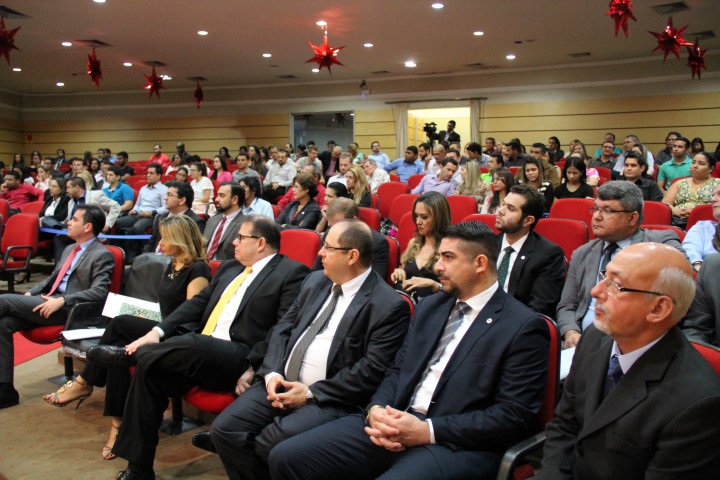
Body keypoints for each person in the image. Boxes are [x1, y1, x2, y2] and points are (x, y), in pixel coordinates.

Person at [270, 221, 550, 480]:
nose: (437, 267)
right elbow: (397, 370)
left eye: (448, 258)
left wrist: (428, 431)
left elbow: (512, 416)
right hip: (396, 421)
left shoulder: (522, 326)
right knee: (286, 457)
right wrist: (376, 409)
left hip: (454, 444)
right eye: (439, 256)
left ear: (480, 263)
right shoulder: (431, 307)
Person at [101, 216, 310, 480]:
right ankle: (139, 469)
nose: (234, 242)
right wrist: (157, 332)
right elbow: (196, 304)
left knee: (194, 341)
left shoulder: (291, 273)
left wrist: (254, 366)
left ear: (260, 243)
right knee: (150, 372)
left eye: (240, 237)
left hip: (239, 355)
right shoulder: (230, 268)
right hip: (199, 351)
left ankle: (129, 355)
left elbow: (283, 328)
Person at [208, 220, 410, 480]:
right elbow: (282, 328)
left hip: (329, 398)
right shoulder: (315, 281)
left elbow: (372, 369)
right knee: (225, 430)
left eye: (328, 247)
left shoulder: (388, 305)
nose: (320, 253)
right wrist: (272, 372)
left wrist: (310, 393)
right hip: (281, 382)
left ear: (352, 256)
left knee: (270, 443)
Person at [538, 243, 720, 479]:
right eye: (604, 276)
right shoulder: (595, 337)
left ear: (658, 308)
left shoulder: (696, 402)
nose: (595, 291)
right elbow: (564, 425)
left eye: (615, 285)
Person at [42, 215, 211, 459]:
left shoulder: (198, 269)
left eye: (165, 238)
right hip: (163, 326)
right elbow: (166, 307)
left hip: (179, 336)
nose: (160, 242)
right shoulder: (173, 264)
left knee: (120, 327)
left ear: (180, 240)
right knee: (119, 350)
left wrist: (154, 326)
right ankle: (117, 423)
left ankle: (85, 382)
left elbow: (189, 314)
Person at [0, 205, 114, 409]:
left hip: (70, 310)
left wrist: (63, 300)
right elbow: (52, 278)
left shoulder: (102, 254)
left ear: (87, 227)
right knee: (4, 324)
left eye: (74, 220)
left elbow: (100, 291)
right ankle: (6, 391)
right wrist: (30, 293)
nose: (68, 222)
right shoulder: (70, 249)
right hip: (48, 300)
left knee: (4, 301)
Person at [557, 181, 685, 348]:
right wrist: (571, 332)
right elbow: (567, 305)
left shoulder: (661, 242)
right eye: (596, 209)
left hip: (637, 343)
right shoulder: (582, 253)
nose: (597, 216)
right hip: (584, 343)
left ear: (632, 218)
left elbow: (682, 281)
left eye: (608, 210)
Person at [496, 184, 566, 317]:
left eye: (510, 208)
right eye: (503, 204)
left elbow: (539, 308)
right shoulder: (486, 244)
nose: (500, 210)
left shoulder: (548, 255)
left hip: (515, 320)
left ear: (528, 220)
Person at [390, 192, 451, 301]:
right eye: (416, 216)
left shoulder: (450, 249)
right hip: (406, 303)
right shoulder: (414, 243)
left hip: (434, 304)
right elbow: (402, 270)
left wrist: (434, 285)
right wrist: (399, 272)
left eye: (424, 217)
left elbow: (457, 290)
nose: (418, 222)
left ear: (439, 218)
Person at [312, 197, 389, 279]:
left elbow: (375, 280)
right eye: (331, 226)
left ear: (354, 220)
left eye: (339, 225)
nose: (333, 230)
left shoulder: (377, 243)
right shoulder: (329, 234)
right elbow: (316, 271)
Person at [142, 181, 206, 254]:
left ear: (182, 200)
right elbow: (151, 244)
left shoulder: (195, 221)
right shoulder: (160, 217)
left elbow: (194, 251)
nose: (165, 198)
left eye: (170, 195)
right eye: (166, 194)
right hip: (155, 258)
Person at [662, 151, 719, 224]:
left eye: (701, 163)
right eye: (693, 162)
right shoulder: (679, 183)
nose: (695, 166)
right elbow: (665, 204)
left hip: (708, 222)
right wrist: (676, 211)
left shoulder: (718, 184)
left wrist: (700, 212)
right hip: (678, 222)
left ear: (711, 168)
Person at [204, 182, 246, 261]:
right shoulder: (211, 220)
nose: (216, 199)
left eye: (221, 195)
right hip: (203, 264)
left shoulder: (246, 224)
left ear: (234, 199)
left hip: (227, 267)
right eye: (217, 195)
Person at [682, 183, 720, 268]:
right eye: (713, 195)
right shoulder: (701, 228)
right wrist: (700, 269)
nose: (713, 199)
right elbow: (689, 254)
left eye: (719, 194)